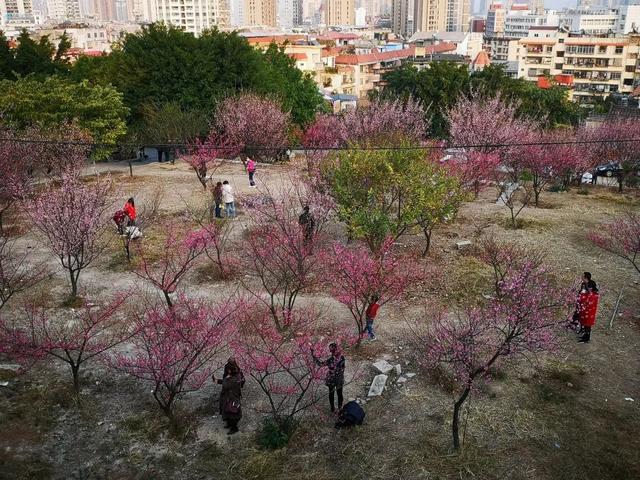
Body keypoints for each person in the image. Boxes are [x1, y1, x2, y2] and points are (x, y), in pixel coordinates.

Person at [213, 358, 245, 434]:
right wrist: (217, 380)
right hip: (229, 395)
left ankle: (234, 428)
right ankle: (229, 424)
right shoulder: (234, 371)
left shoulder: (236, 376)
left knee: (233, 411)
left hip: (232, 396)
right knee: (227, 410)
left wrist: (220, 381)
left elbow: (226, 384)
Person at [312, 343, 345, 413]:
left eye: (331, 350)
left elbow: (320, 364)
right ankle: (340, 408)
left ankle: (333, 409)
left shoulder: (331, 359)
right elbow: (343, 368)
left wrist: (313, 355)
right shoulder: (342, 357)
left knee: (332, 393)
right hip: (339, 378)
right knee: (339, 393)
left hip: (331, 379)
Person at [576, 273, 599, 343]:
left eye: (583, 276)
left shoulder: (592, 290)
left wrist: (582, 296)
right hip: (584, 309)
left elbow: (588, 298)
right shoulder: (584, 284)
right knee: (584, 322)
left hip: (589, 310)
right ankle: (584, 335)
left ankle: (586, 338)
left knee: (587, 324)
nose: (581, 277)